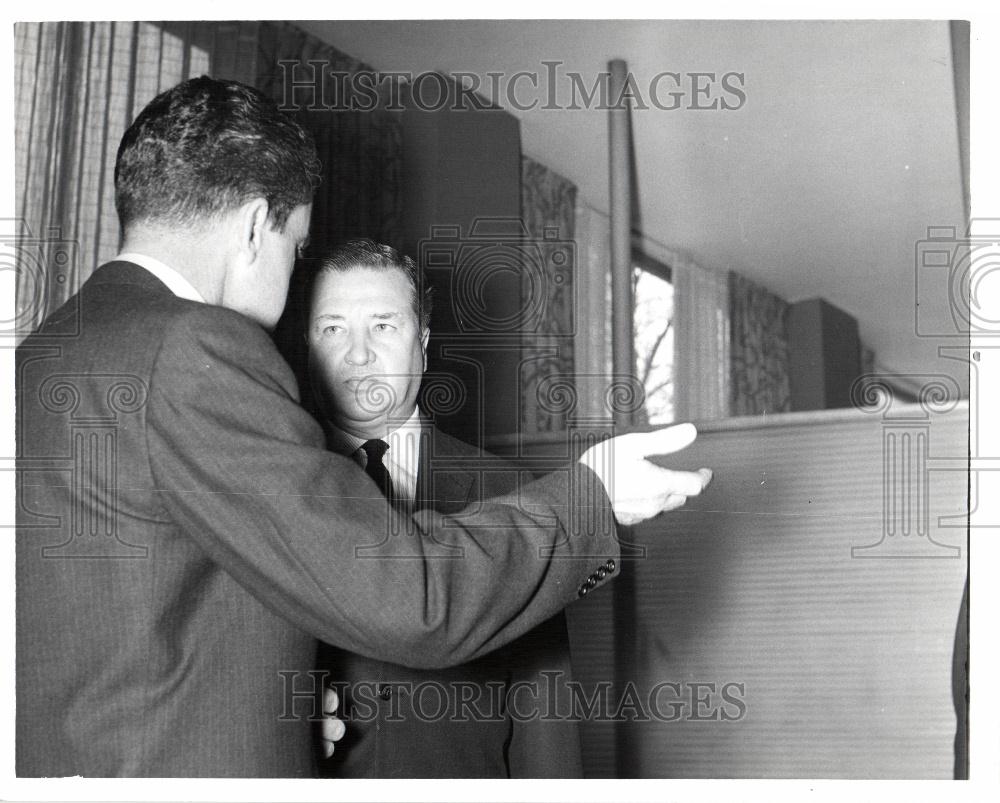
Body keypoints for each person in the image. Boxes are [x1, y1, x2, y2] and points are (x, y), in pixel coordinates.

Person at [15, 76, 712, 778]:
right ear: (257, 225)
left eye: (384, 325)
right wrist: (594, 492)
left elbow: (127, 629)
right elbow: (407, 596)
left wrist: (273, 716)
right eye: (297, 245)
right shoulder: (195, 348)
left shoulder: (42, 354)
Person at [302, 239, 583, 777]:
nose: (357, 354)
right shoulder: (267, 481)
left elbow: (543, 703)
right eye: (333, 328)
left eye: (383, 325)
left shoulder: (507, 493)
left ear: (423, 343)